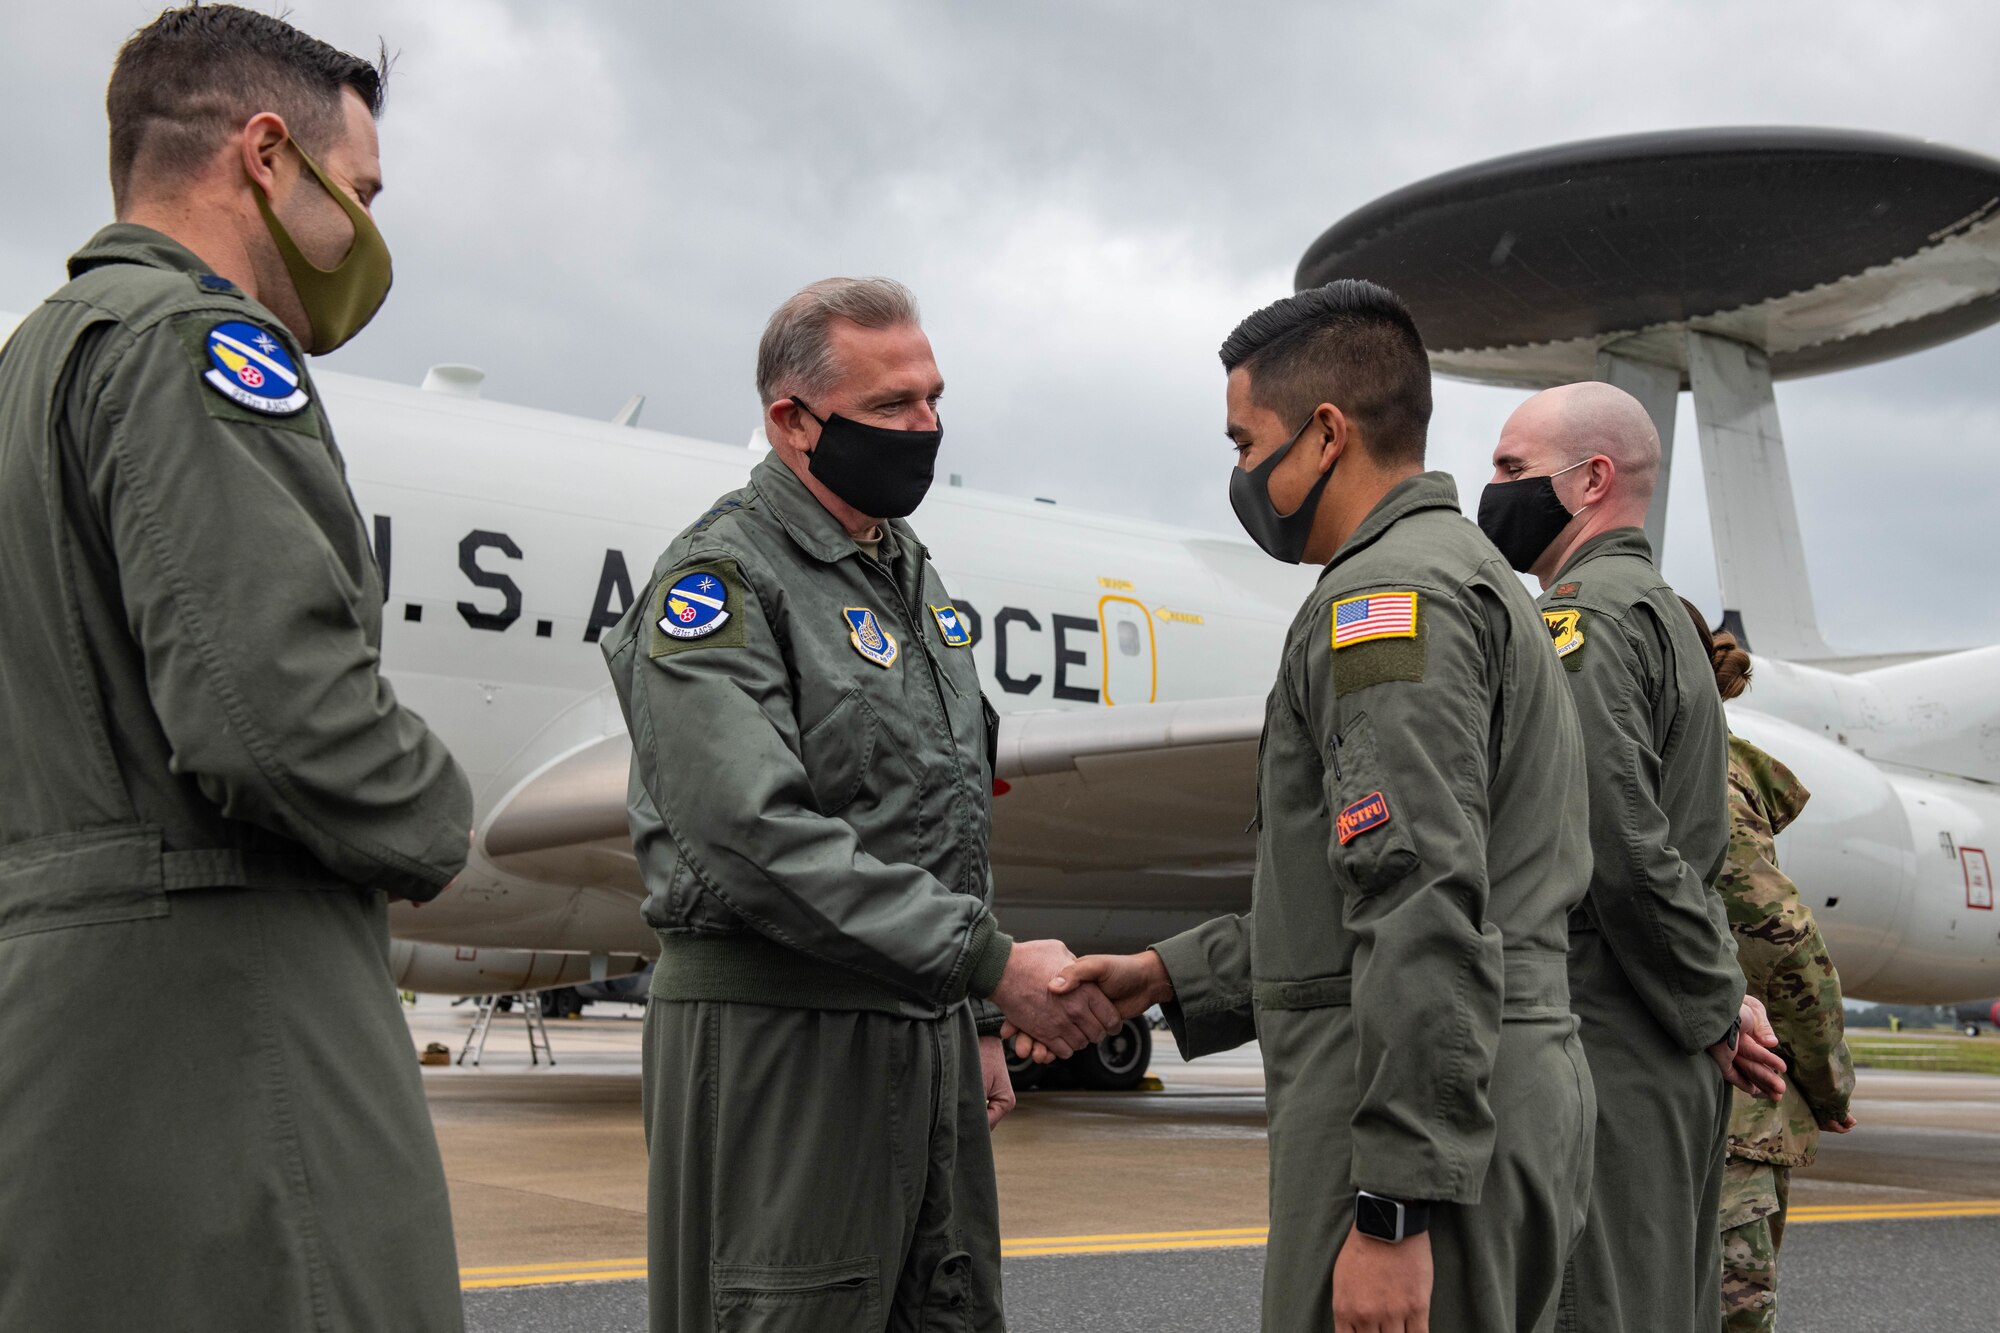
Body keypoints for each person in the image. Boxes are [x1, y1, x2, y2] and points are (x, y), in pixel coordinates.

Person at [0, 7, 473, 1330]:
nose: (365, 230)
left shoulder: (32, 364)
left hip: (67, 1045)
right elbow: (277, 716)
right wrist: (442, 820)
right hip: (234, 1021)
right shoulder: (196, 346)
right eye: (360, 189)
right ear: (267, 155)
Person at [1022, 280, 1601, 1333]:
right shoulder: (1465, 578)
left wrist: (1391, 1206)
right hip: (1474, 1099)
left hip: (1420, 1129)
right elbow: (1357, 900)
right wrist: (1164, 974)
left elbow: (1418, 900)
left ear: (1326, 434)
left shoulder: (1387, 603)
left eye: (1247, 442)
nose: (1241, 473)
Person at [600, 276, 1119, 1332]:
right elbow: (752, 837)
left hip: (922, 1031)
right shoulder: (722, 578)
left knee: (946, 1307)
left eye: (932, 398)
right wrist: (985, 964)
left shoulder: (904, 573)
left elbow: (941, 808)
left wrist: (974, 1021)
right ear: (792, 421)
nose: (923, 426)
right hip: (784, 1039)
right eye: (891, 404)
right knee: (791, 1309)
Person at [1474, 381, 1787, 1333]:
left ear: (1592, 480)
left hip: (1602, 1022)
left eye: (1513, 468)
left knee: (1595, 1303)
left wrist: (1714, 1000)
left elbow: (1612, 839)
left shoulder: (1586, 617)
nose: (1493, 489)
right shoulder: (1653, 611)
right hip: (1658, 1025)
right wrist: (1714, 995)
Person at [1680, 600, 1857, 1332]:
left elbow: (1771, 939)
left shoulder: (1680, 764)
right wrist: (1828, 1082)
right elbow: (1784, 946)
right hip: (1725, 1102)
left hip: (1710, 1093)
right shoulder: (1703, 766)